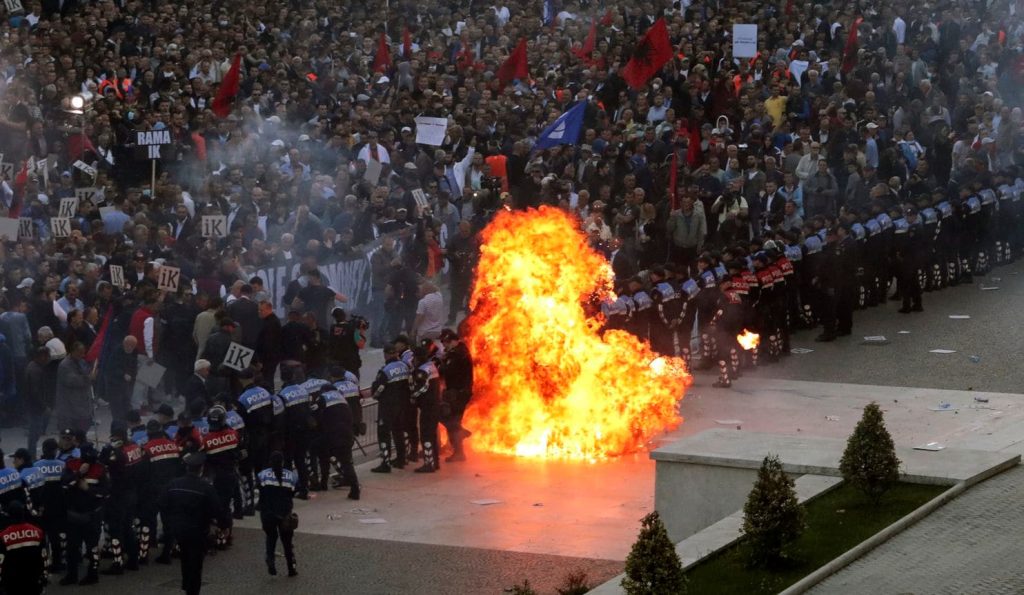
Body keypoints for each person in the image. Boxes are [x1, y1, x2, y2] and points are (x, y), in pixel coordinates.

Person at [159, 452, 229, 595]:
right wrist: (224, 526)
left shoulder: (174, 484)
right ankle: (192, 590)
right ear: (201, 469)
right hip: (197, 531)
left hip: (179, 530)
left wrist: (170, 522)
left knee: (185, 557)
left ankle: (186, 584)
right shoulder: (206, 488)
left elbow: (162, 503)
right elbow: (217, 509)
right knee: (196, 563)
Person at [100, 420, 146, 574]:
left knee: (116, 530)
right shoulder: (134, 447)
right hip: (133, 492)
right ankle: (133, 560)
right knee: (128, 528)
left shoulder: (118, 453)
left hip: (119, 494)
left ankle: (117, 563)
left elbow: (104, 463)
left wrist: (108, 450)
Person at [60, 443, 108, 586]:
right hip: (74, 514)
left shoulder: (100, 468)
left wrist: (88, 489)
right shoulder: (71, 464)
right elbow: (64, 484)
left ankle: (92, 575)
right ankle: (72, 574)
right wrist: (79, 473)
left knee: (92, 547)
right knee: (72, 547)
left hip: (92, 514)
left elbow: (105, 492)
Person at [141, 419, 182, 565]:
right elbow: (180, 468)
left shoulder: (146, 448)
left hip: (153, 490)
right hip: (171, 488)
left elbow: (143, 473)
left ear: (148, 433)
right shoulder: (173, 446)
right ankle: (167, 553)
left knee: (147, 521)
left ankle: (145, 552)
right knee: (168, 522)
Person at [199, 405, 240, 548]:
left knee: (216, 506)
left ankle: (220, 534)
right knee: (226, 506)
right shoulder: (233, 434)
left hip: (215, 477)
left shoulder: (207, 440)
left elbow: (202, 459)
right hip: (231, 474)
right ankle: (227, 533)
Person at [370, 343, 411, 473]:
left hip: (388, 407)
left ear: (386, 354)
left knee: (384, 434)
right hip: (403, 405)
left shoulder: (385, 370)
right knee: (399, 432)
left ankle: (385, 463)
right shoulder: (405, 366)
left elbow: (378, 389)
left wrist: (375, 396)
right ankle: (401, 459)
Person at [256, 451, 298, 577]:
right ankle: (291, 568)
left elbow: (260, 492)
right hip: (284, 513)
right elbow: (293, 492)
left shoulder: (262, 475)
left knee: (271, 537)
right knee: (287, 542)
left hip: (267, 513)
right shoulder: (291, 476)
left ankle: (270, 560)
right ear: (283, 462)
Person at [321, 366, 360, 498]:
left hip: (335, 433)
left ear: (332, 377)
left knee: (338, 458)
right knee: (347, 460)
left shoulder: (328, 396)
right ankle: (350, 481)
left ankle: (349, 482)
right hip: (349, 428)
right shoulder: (349, 389)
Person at [438, 329, 474, 462]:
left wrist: (442, 363)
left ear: (453, 340)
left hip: (458, 394)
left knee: (451, 420)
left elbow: (447, 371)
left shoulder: (458, 354)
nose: (444, 345)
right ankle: (459, 433)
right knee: (452, 421)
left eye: (446, 342)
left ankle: (459, 452)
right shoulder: (457, 352)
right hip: (456, 392)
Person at [32, 439, 67, 573]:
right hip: (58, 506)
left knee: (42, 536)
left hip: (42, 507)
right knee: (55, 537)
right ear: (55, 450)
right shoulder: (62, 465)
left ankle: (43, 562)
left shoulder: (37, 465)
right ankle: (58, 562)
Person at [0, 501, 47, 595]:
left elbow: (0, 561)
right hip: (34, 579)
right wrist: (44, 577)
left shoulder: (3, 536)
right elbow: (44, 557)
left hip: (12, 582)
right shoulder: (38, 532)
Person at [410, 346, 442, 473]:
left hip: (428, 407)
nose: (413, 359)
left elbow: (422, 388)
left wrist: (413, 395)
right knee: (432, 435)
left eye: (414, 357)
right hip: (435, 404)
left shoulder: (422, 371)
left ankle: (429, 463)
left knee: (426, 435)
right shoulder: (431, 366)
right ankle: (435, 461)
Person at [54, 341, 95, 433]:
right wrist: (88, 378)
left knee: (83, 429)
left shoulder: (81, 362)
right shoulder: (65, 365)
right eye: (80, 352)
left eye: (83, 352)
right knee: (69, 433)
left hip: (82, 403)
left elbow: (87, 371)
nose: (82, 354)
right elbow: (72, 381)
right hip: (69, 405)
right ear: (73, 351)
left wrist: (92, 370)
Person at [23, 347, 52, 459]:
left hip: (32, 405)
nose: (49, 358)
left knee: (35, 432)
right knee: (35, 432)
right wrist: (44, 406)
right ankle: (31, 456)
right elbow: (35, 392)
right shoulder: (35, 370)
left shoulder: (33, 366)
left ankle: (31, 454)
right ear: (42, 356)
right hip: (35, 407)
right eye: (47, 356)